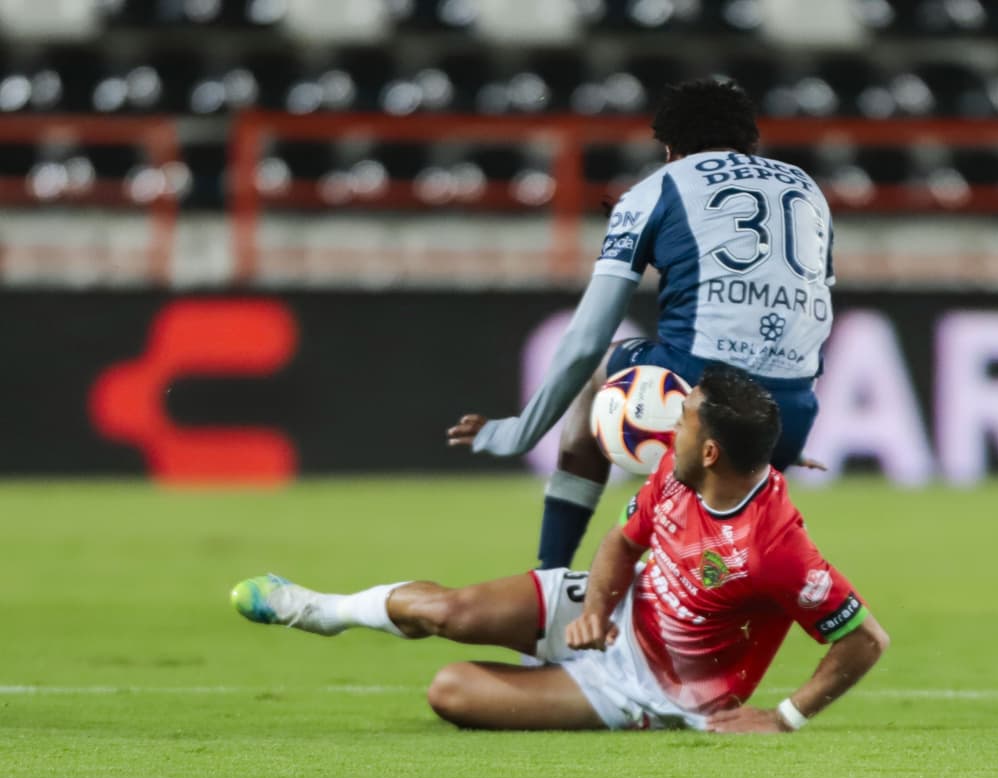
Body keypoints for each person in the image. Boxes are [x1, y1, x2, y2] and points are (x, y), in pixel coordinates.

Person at [232, 365, 887, 732]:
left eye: (684, 419)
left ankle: (563, 679)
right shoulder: (674, 471)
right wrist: (597, 609)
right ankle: (321, 610)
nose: (670, 426)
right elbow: (621, 543)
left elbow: (864, 639)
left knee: (450, 690)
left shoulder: (775, 549)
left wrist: (784, 717)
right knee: (448, 611)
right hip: (619, 610)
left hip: (650, 689)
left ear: (711, 451)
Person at [447, 78, 838, 572]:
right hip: (792, 410)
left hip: (694, 387)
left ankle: (552, 574)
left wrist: (520, 433)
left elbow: (586, 338)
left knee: (597, 373)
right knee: (710, 563)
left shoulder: (658, 188)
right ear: (751, 141)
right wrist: (778, 425)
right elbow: (812, 310)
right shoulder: (807, 188)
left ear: (669, 148)